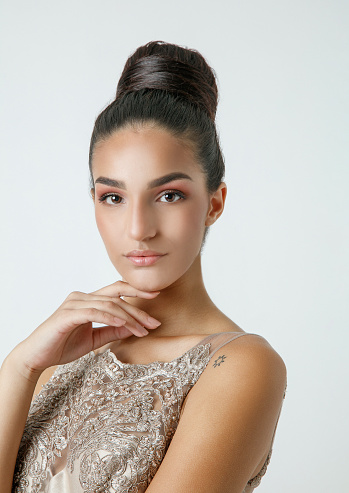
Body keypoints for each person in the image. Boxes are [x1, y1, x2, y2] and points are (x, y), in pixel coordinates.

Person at [0, 40, 287, 493]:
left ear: (214, 203)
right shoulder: (64, 355)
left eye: (168, 195)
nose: (138, 228)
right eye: (113, 197)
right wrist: (18, 367)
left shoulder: (238, 367)